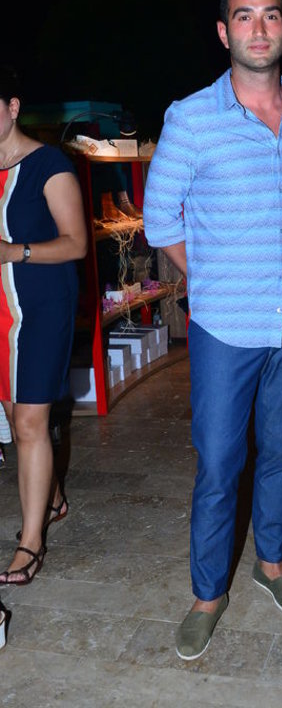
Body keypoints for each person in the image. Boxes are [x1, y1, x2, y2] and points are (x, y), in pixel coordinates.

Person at [143, 0, 282, 661]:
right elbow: (161, 219)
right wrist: (214, 278)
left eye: (270, 15)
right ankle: (206, 594)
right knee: (221, 464)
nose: (258, 28)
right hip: (225, 326)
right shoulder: (191, 117)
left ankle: (270, 562)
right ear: (224, 32)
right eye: (244, 16)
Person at [0, 65, 87, 585]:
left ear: (12, 108)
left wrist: (15, 252)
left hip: (42, 309)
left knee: (31, 423)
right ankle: (51, 497)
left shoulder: (48, 164)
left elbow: (76, 243)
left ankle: (30, 542)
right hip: (0, 313)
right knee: (17, 420)